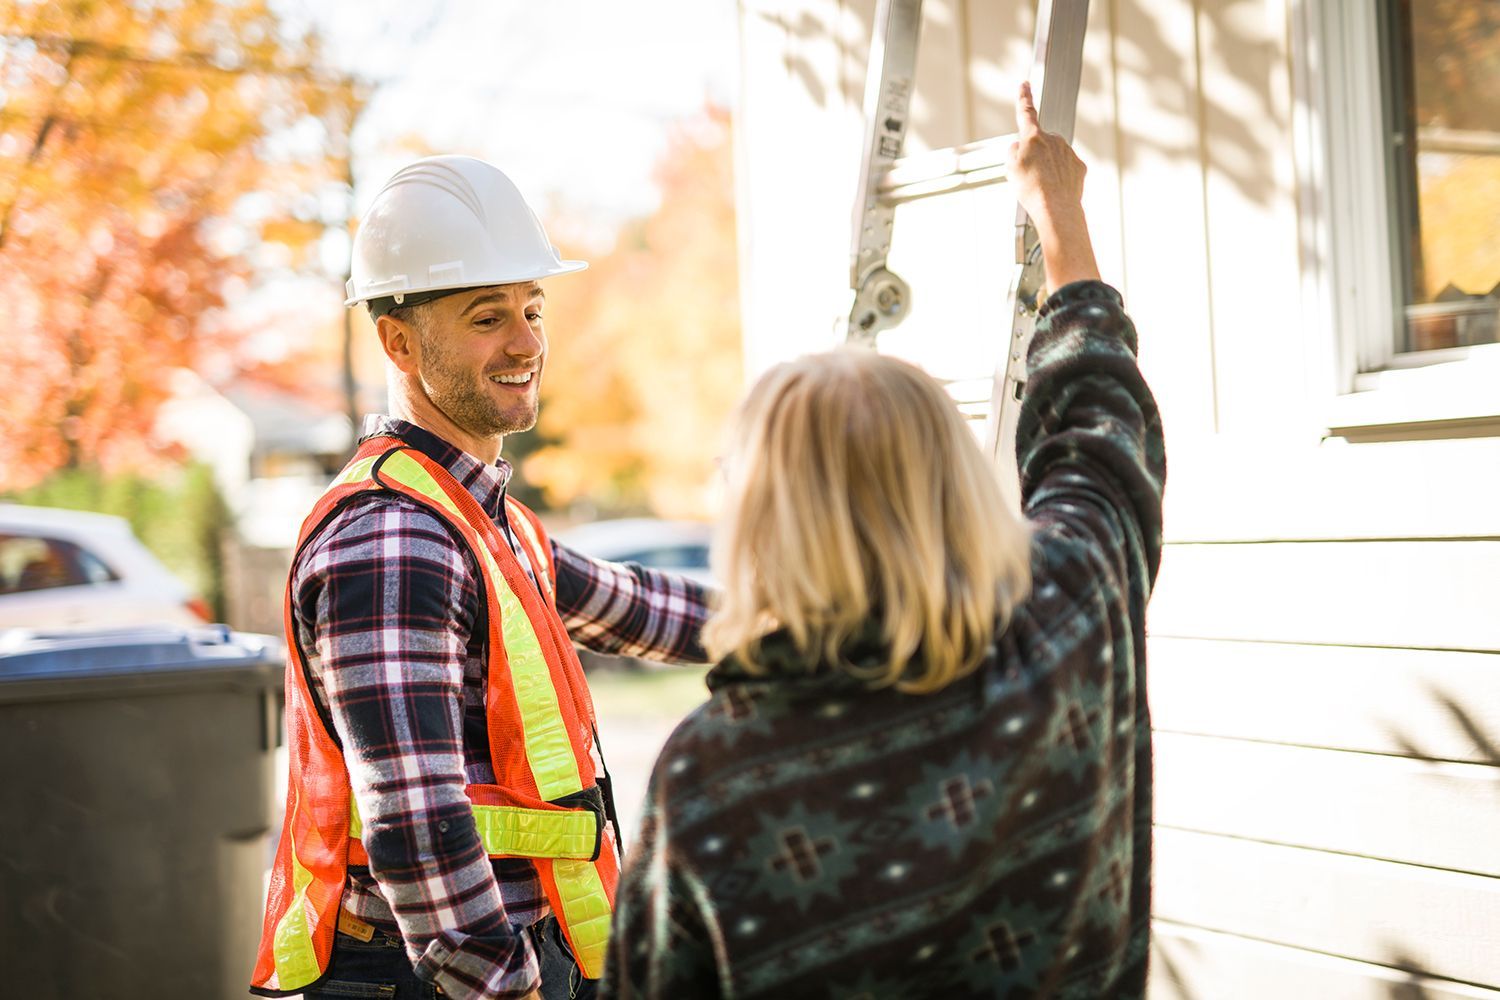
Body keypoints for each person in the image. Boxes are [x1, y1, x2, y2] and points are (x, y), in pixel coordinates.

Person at [599, 82, 1165, 999]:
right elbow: (1100, 425)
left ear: (759, 521)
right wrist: (1057, 207)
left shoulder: (716, 778)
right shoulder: (1069, 617)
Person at [250, 156, 714, 1000]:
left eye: (534, 310)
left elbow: (637, 606)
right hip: (443, 978)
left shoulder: (480, 521)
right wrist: (505, 987)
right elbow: (417, 822)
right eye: (487, 317)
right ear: (398, 341)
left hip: (504, 958)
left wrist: (821, 614)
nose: (528, 342)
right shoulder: (392, 539)